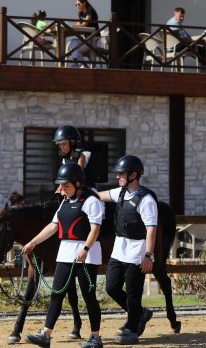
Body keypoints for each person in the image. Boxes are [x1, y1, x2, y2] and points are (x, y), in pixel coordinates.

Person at [23, 163, 104, 348]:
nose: (62, 189)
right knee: (56, 294)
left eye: (66, 185)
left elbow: (95, 229)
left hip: (86, 255)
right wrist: (33, 242)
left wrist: (85, 249)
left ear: (77, 184)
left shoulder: (91, 201)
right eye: (61, 185)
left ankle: (95, 337)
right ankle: (45, 335)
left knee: (88, 296)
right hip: (66, 253)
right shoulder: (64, 202)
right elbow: (53, 226)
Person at [94, 155, 155, 345]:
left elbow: (151, 230)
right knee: (111, 287)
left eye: (121, 173)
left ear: (133, 175)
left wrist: (148, 255)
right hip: (119, 250)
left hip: (137, 252)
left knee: (133, 293)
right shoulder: (119, 193)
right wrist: (76, 190)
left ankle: (131, 329)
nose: (117, 176)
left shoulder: (146, 200)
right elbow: (98, 196)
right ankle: (140, 313)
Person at [53, 125, 96, 191]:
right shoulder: (65, 159)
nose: (61, 147)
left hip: (88, 190)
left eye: (64, 144)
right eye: (59, 144)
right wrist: (59, 189)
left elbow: (78, 175)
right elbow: (63, 179)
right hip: (73, 191)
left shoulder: (81, 155)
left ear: (72, 142)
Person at [68, 0, 99, 68]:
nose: (77, 6)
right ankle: (81, 64)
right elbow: (78, 24)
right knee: (73, 43)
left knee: (75, 48)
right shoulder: (81, 13)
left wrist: (72, 25)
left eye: (79, 4)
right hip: (87, 39)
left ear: (84, 2)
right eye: (76, 5)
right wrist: (77, 19)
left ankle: (80, 64)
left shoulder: (90, 11)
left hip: (94, 39)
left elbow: (84, 25)